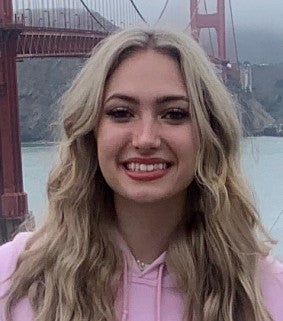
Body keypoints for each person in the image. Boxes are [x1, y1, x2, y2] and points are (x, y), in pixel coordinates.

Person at [0, 27, 283, 321]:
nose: (146, 139)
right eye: (121, 113)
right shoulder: (13, 277)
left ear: (209, 134)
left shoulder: (266, 292)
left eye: (174, 114)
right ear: (90, 132)